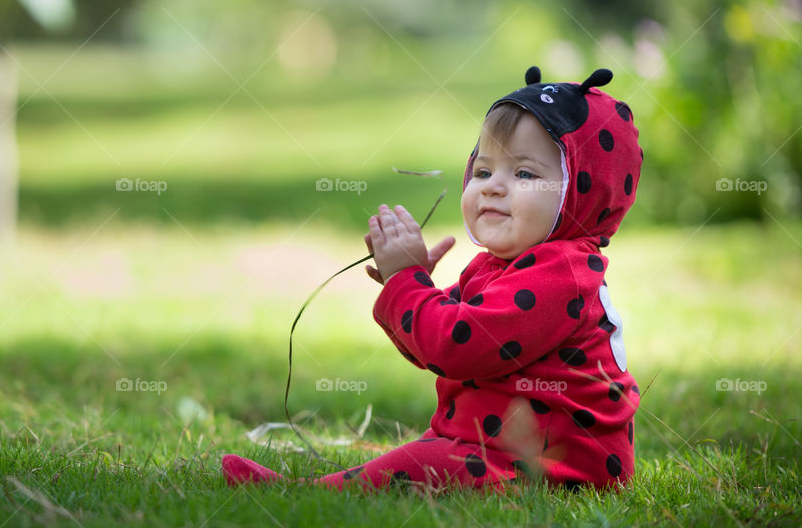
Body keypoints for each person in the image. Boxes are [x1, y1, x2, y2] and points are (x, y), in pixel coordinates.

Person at [222, 66, 643, 493]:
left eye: (524, 174)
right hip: (504, 446)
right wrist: (410, 285)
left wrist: (407, 281)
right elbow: (431, 347)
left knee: (434, 460)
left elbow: (454, 346)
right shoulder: (505, 266)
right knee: (433, 451)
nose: (494, 187)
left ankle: (312, 490)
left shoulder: (559, 275)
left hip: (559, 466)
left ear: (585, 193)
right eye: (482, 171)